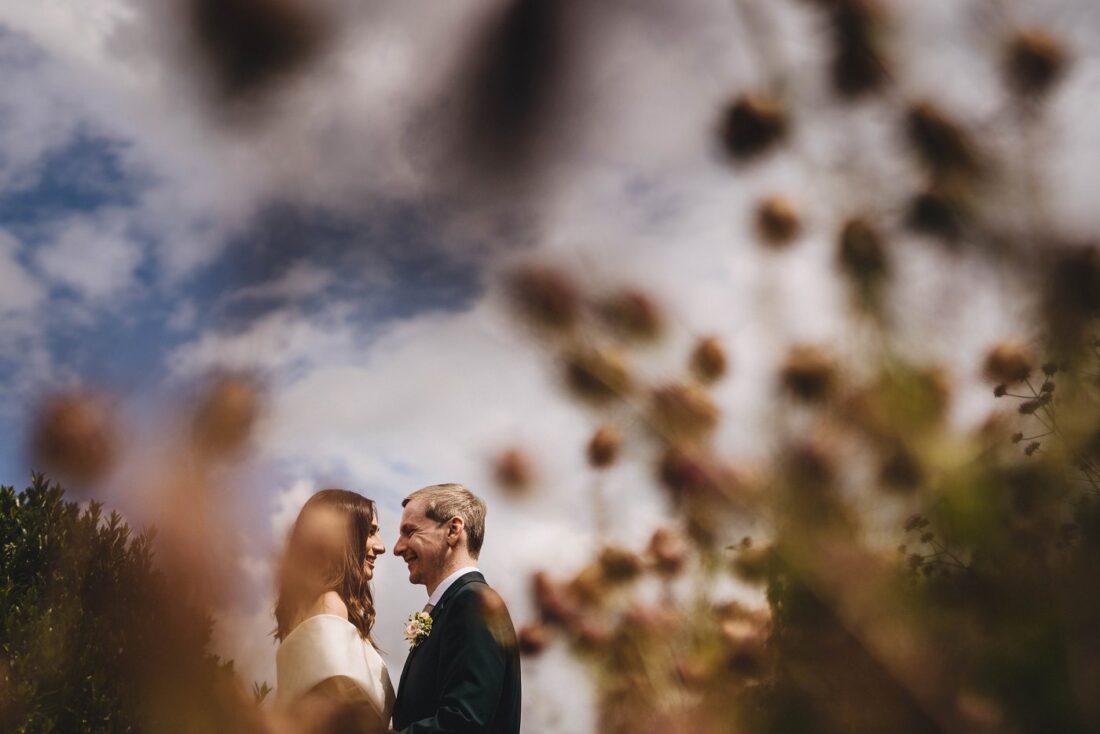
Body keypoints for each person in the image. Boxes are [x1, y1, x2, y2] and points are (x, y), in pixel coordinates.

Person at [391, 483, 521, 734]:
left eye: (410, 531)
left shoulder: (472, 603)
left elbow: (463, 722)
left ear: (453, 530)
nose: (398, 548)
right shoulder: (454, 604)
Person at [273, 488, 395, 732]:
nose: (381, 547)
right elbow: (339, 716)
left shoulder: (305, 609)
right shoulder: (330, 605)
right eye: (370, 532)